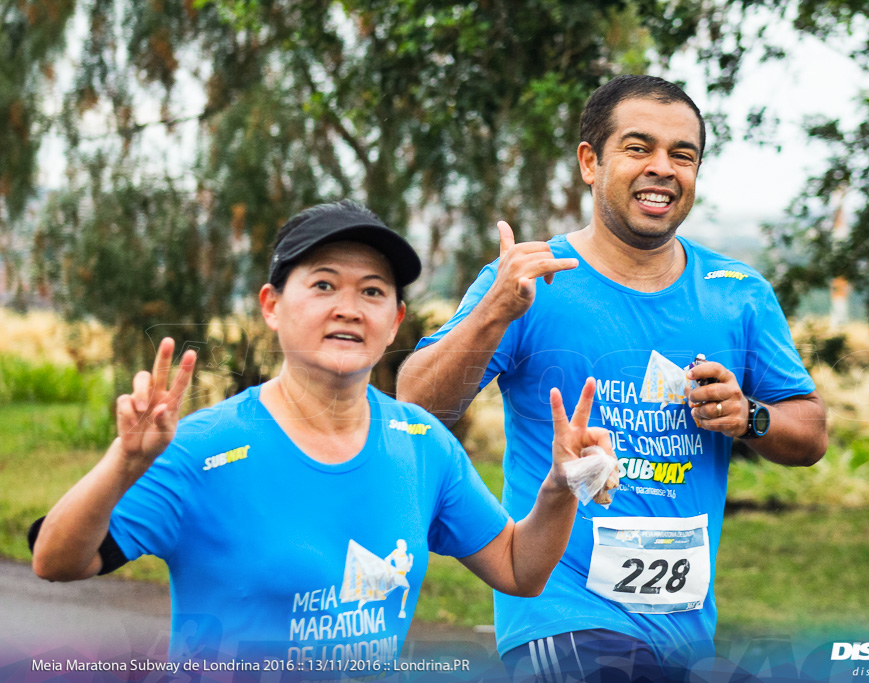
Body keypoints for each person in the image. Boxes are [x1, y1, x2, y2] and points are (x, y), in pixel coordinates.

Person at [29, 200, 613, 669]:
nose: (350, 308)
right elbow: (55, 560)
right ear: (272, 306)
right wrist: (123, 464)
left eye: (373, 292)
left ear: (395, 324)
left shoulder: (422, 444)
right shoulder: (201, 448)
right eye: (324, 285)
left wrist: (561, 488)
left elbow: (521, 570)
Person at [396, 75, 829, 679]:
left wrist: (749, 416)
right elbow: (414, 406)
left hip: (686, 630)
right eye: (638, 147)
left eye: (683, 155)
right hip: (562, 614)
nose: (663, 168)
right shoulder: (531, 279)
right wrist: (494, 311)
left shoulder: (738, 294)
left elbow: (810, 433)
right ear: (590, 163)